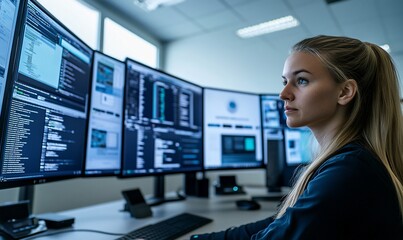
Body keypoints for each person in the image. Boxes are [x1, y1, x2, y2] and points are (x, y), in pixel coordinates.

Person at [190, 35, 403, 239]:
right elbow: (280, 224)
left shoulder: (350, 169)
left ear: (344, 92)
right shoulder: (352, 160)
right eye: (285, 81)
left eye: (301, 80)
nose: (283, 94)